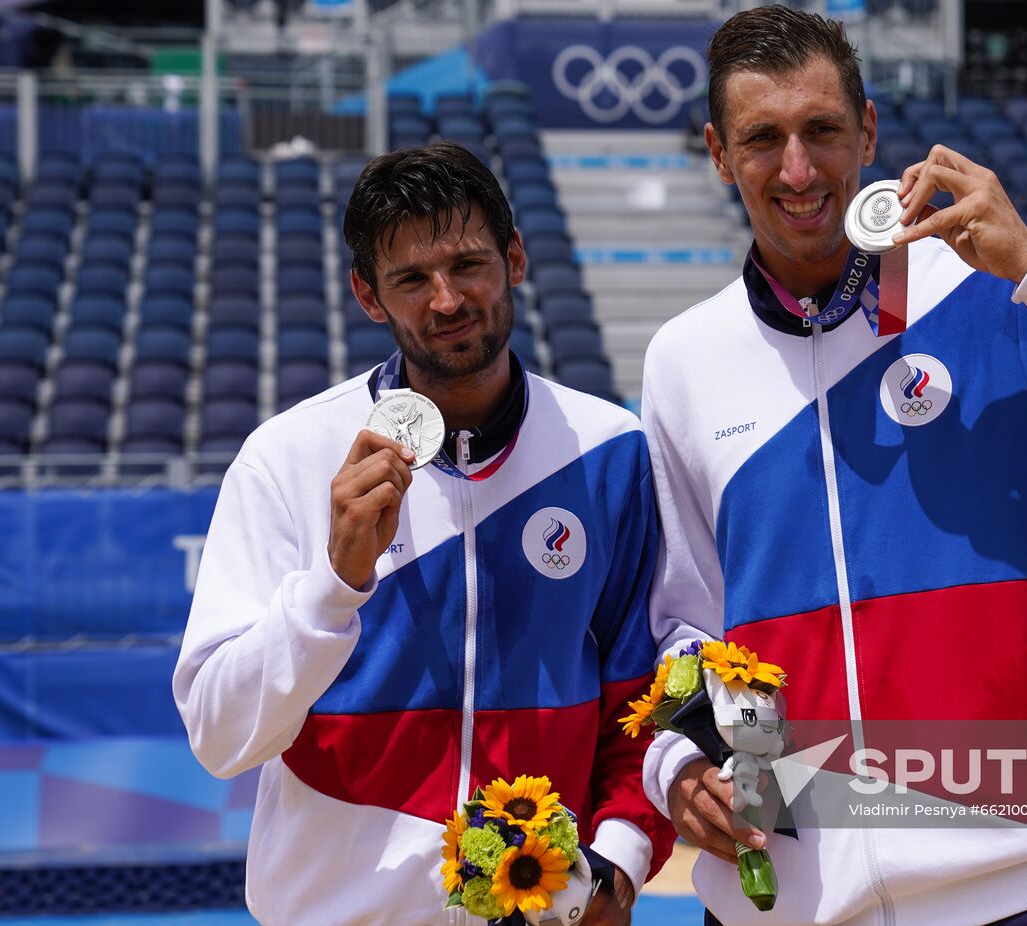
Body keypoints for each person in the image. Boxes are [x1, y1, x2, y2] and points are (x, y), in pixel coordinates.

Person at [639, 7, 1027, 926]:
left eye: (821, 131)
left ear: (867, 129)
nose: (796, 169)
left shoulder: (996, 301)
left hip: (1019, 889)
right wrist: (683, 763)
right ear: (716, 151)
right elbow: (681, 623)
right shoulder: (681, 358)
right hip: (783, 910)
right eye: (762, 139)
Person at [174, 143, 672, 925]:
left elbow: (640, 694)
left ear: (515, 258)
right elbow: (218, 737)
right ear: (368, 297)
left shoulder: (608, 450)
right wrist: (332, 588)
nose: (446, 301)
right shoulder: (287, 457)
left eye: (469, 264)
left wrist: (622, 865)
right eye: (410, 279)